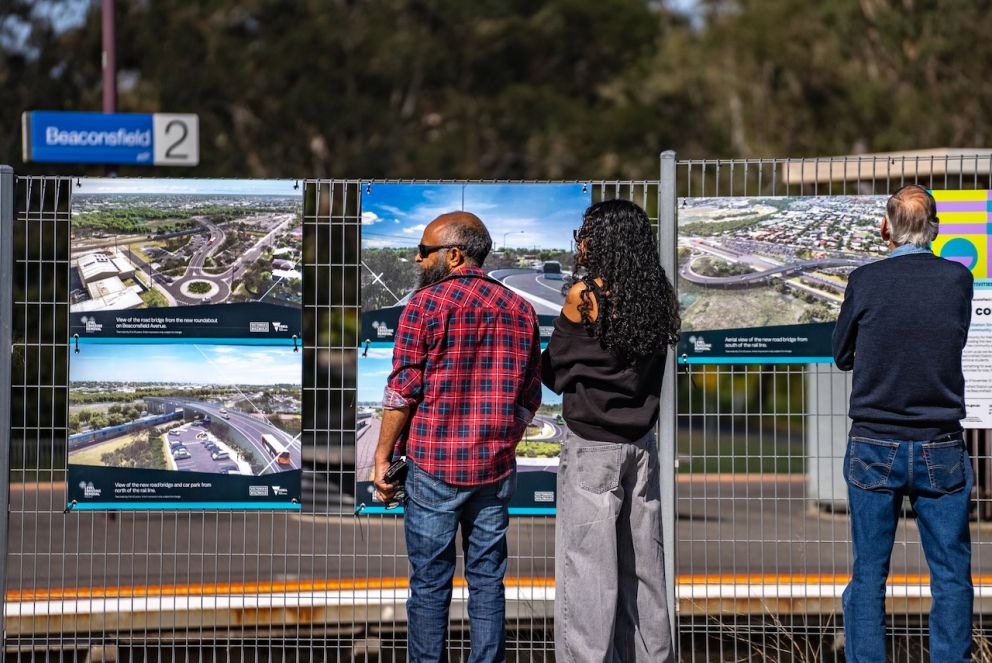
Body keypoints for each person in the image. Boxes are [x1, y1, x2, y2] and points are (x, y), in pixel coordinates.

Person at [372, 211, 542, 663]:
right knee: (488, 580)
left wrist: (382, 457)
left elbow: (403, 389)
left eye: (425, 251)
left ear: (453, 254)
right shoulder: (521, 310)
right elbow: (529, 396)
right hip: (493, 470)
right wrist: (505, 439)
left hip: (433, 469)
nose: (417, 258)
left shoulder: (424, 305)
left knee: (429, 582)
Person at [833, 184, 974, 662]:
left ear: (885, 227)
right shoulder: (958, 280)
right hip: (941, 441)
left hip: (874, 440)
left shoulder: (864, 281)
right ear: (935, 228)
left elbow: (841, 353)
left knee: (869, 573)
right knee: (951, 573)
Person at [541, 199, 680, 663]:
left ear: (600, 239)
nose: (579, 241)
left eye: (584, 232)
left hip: (591, 448)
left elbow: (553, 369)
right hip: (641, 446)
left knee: (588, 574)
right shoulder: (656, 295)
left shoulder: (585, 297)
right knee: (644, 570)